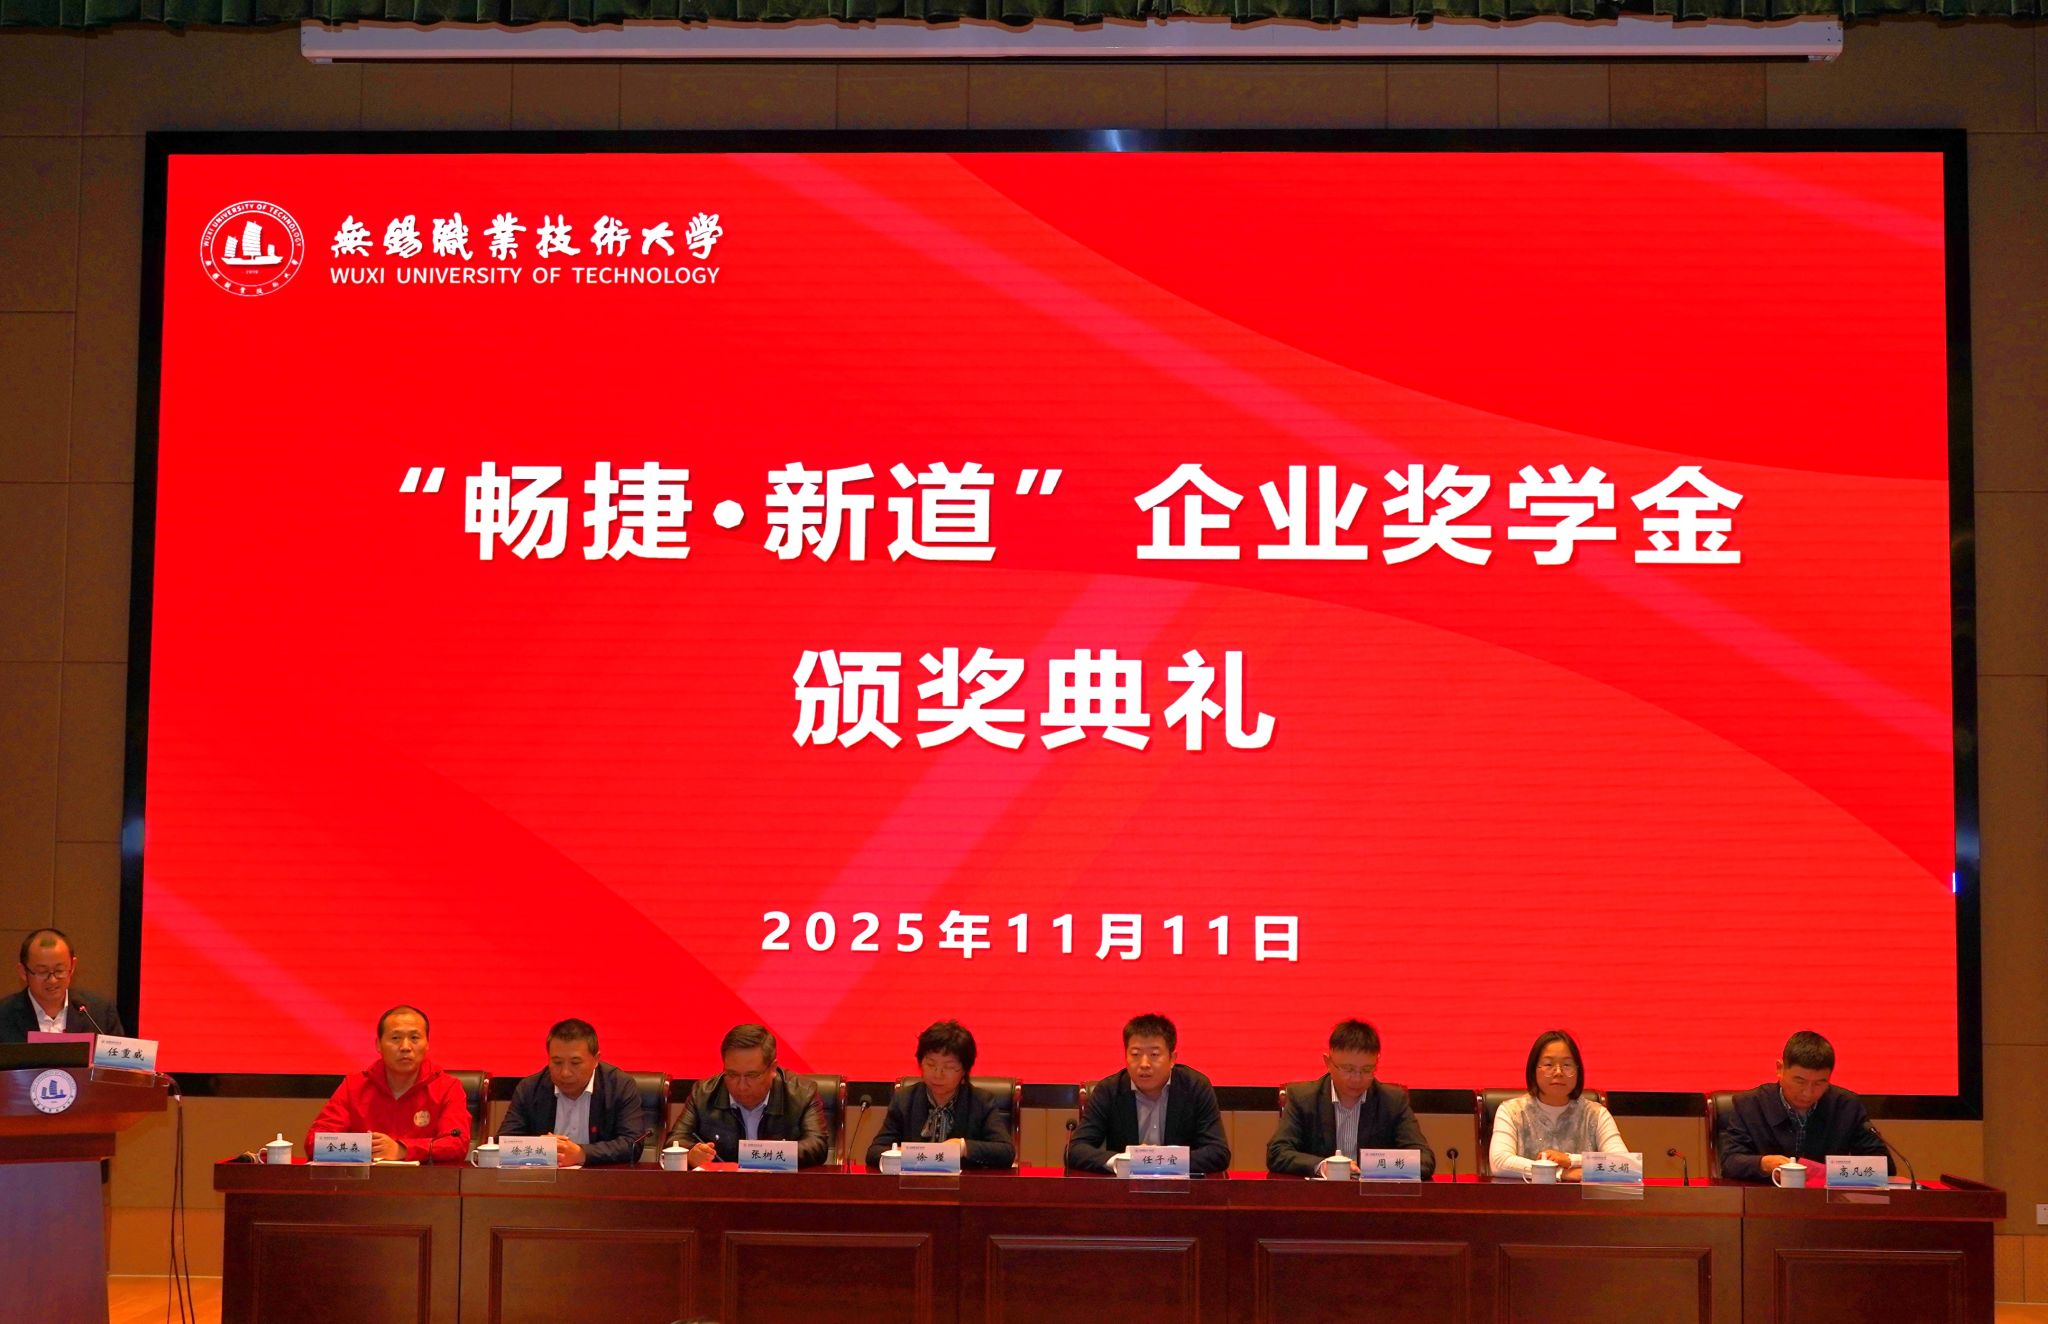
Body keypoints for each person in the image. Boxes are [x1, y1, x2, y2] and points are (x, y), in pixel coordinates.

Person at [1268, 1018, 1436, 1178]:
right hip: (1318, 1194)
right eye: (1348, 1069)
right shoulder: (1303, 1098)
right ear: (1328, 1062)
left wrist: (1374, 1166)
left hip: (1374, 1196)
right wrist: (1322, 1166)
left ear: (1377, 1062)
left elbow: (1425, 1160)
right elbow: (1277, 1153)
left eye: (1366, 1070)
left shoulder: (1393, 1101)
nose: (1356, 1078)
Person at [1066, 1013, 1230, 1175]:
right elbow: (1075, 1150)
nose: (1144, 1064)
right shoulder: (1109, 1090)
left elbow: (1218, 1153)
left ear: (1172, 1059)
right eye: (1135, 1054)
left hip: (1183, 1188)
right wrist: (1122, 1161)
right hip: (1124, 1189)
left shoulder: (1195, 1087)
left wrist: (1159, 1160)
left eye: (1154, 1055)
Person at [1718, 1030, 1890, 1182]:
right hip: (1766, 1200)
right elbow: (1729, 1162)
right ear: (1780, 1069)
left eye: (1819, 1083)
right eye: (1799, 1081)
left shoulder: (1847, 1107)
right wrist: (1764, 1164)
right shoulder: (1749, 1105)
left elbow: (1884, 1166)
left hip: (1827, 1202)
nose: (1808, 1093)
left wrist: (1835, 1170)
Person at [305, 1005, 471, 1163]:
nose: (405, 1047)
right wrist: (366, 1148)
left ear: (427, 1044)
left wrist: (402, 1150)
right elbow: (315, 1143)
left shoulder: (447, 1087)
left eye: (414, 1038)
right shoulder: (354, 1086)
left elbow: (457, 1144)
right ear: (378, 1044)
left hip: (425, 1181)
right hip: (366, 1181)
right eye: (395, 1038)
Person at [667, 1024, 829, 1167]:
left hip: (782, 1186)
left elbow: (817, 1146)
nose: (741, 1085)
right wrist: (691, 1154)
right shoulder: (703, 1094)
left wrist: (759, 1155)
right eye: (732, 1074)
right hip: (721, 1187)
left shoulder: (802, 1093)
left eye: (752, 1075)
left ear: (773, 1069)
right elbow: (674, 1141)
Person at [497, 1018, 649, 1167]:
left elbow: (632, 1144)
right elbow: (501, 1144)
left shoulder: (619, 1086)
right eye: (557, 1062)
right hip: (543, 1180)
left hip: (601, 1179)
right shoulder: (530, 1089)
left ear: (596, 1060)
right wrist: (540, 1146)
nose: (565, 1073)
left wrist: (582, 1154)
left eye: (575, 1063)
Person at [864, 1019, 1014, 1169]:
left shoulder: (980, 1102)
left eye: (948, 1067)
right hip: (913, 1182)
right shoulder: (904, 1100)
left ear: (964, 1071)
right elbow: (874, 1153)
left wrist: (963, 1147)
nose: (937, 1074)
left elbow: (1006, 1152)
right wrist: (901, 1154)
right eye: (930, 1064)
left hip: (963, 1182)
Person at [1488, 1029, 1628, 1180]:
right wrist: (1560, 1173)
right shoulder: (1511, 1111)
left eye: (1567, 1065)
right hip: (1524, 1195)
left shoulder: (1596, 1114)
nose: (1558, 1072)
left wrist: (1571, 1160)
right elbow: (1499, 1163)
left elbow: (1626, 1166)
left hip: (1582, 1196)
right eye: (1548, 1064)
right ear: (1533, 1070)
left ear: (1578, 1071)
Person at [2, 927, 127, 1042]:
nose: (52, 980)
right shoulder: (3, 1016)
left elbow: (118, 1058)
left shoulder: (100, 1014)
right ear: (23, 972)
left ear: (72, 966)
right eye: (42, 972)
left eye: (59, 970)